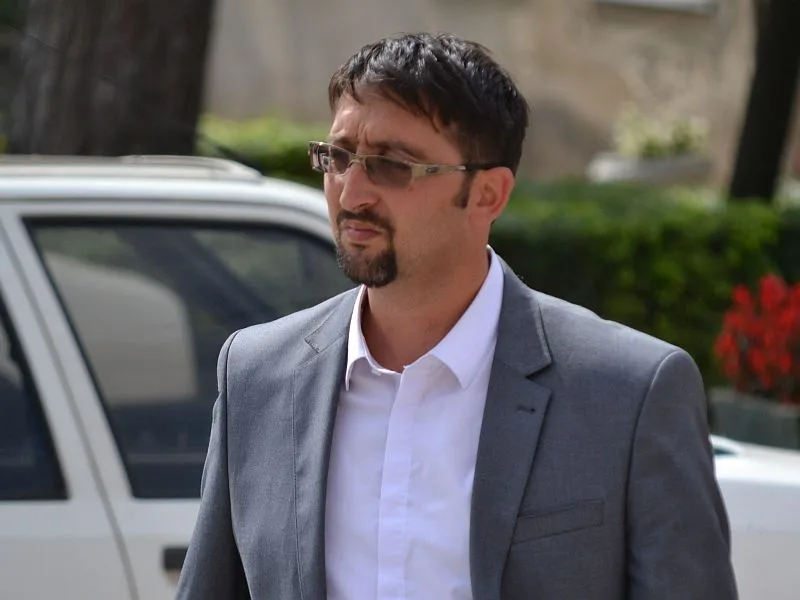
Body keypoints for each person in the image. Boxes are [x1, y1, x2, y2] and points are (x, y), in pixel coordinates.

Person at [176, 33, 737, 600]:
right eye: (338, 157)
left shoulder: (627, 393)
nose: (351, 193)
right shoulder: (258, 376)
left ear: (488, 194)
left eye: (392, 165)